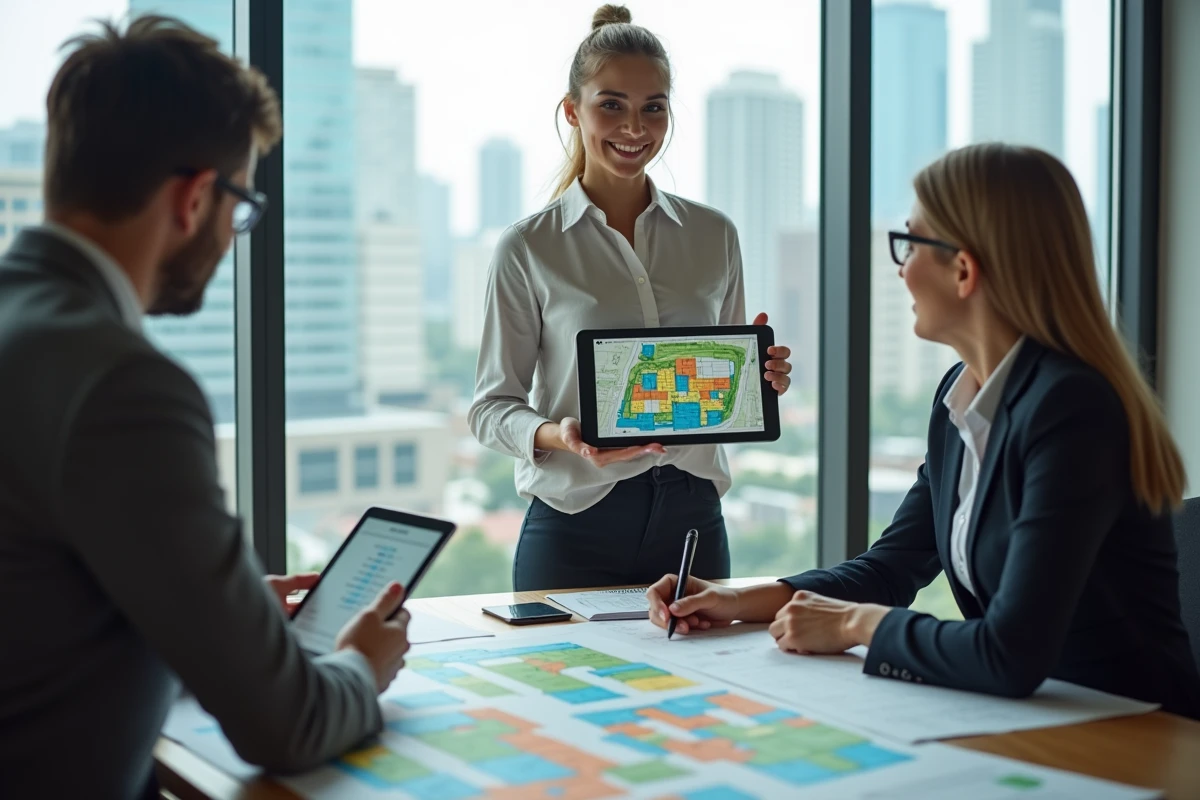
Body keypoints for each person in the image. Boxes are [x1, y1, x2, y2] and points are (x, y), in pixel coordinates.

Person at [0, 17, 411, 798]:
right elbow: (287, 725)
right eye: (242, 207)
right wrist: (361, 663)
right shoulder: (125, 386)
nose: (234, 234)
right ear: (194, 198)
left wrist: (211, 613)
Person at [646, 143, 1200, 718]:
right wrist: (736, 599)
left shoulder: (1072, 408)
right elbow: (891, 568)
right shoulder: (961, 395)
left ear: (963, 269)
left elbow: (1009, 653)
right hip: (1038, 720)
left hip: (1138, 736)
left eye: (909, 244)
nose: (901, 267)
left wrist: (857, 625)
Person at [469, 4, 793, 592]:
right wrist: (560, 434)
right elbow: (491, 408)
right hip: (575, 523)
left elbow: (722, 383)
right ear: (572, 111)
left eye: (653, 108)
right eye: (611, 104)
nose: (634, 128)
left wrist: (757, 381)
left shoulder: (714, 234)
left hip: (693, 519)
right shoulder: (528, 247)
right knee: (559, 686)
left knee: (701, 686)